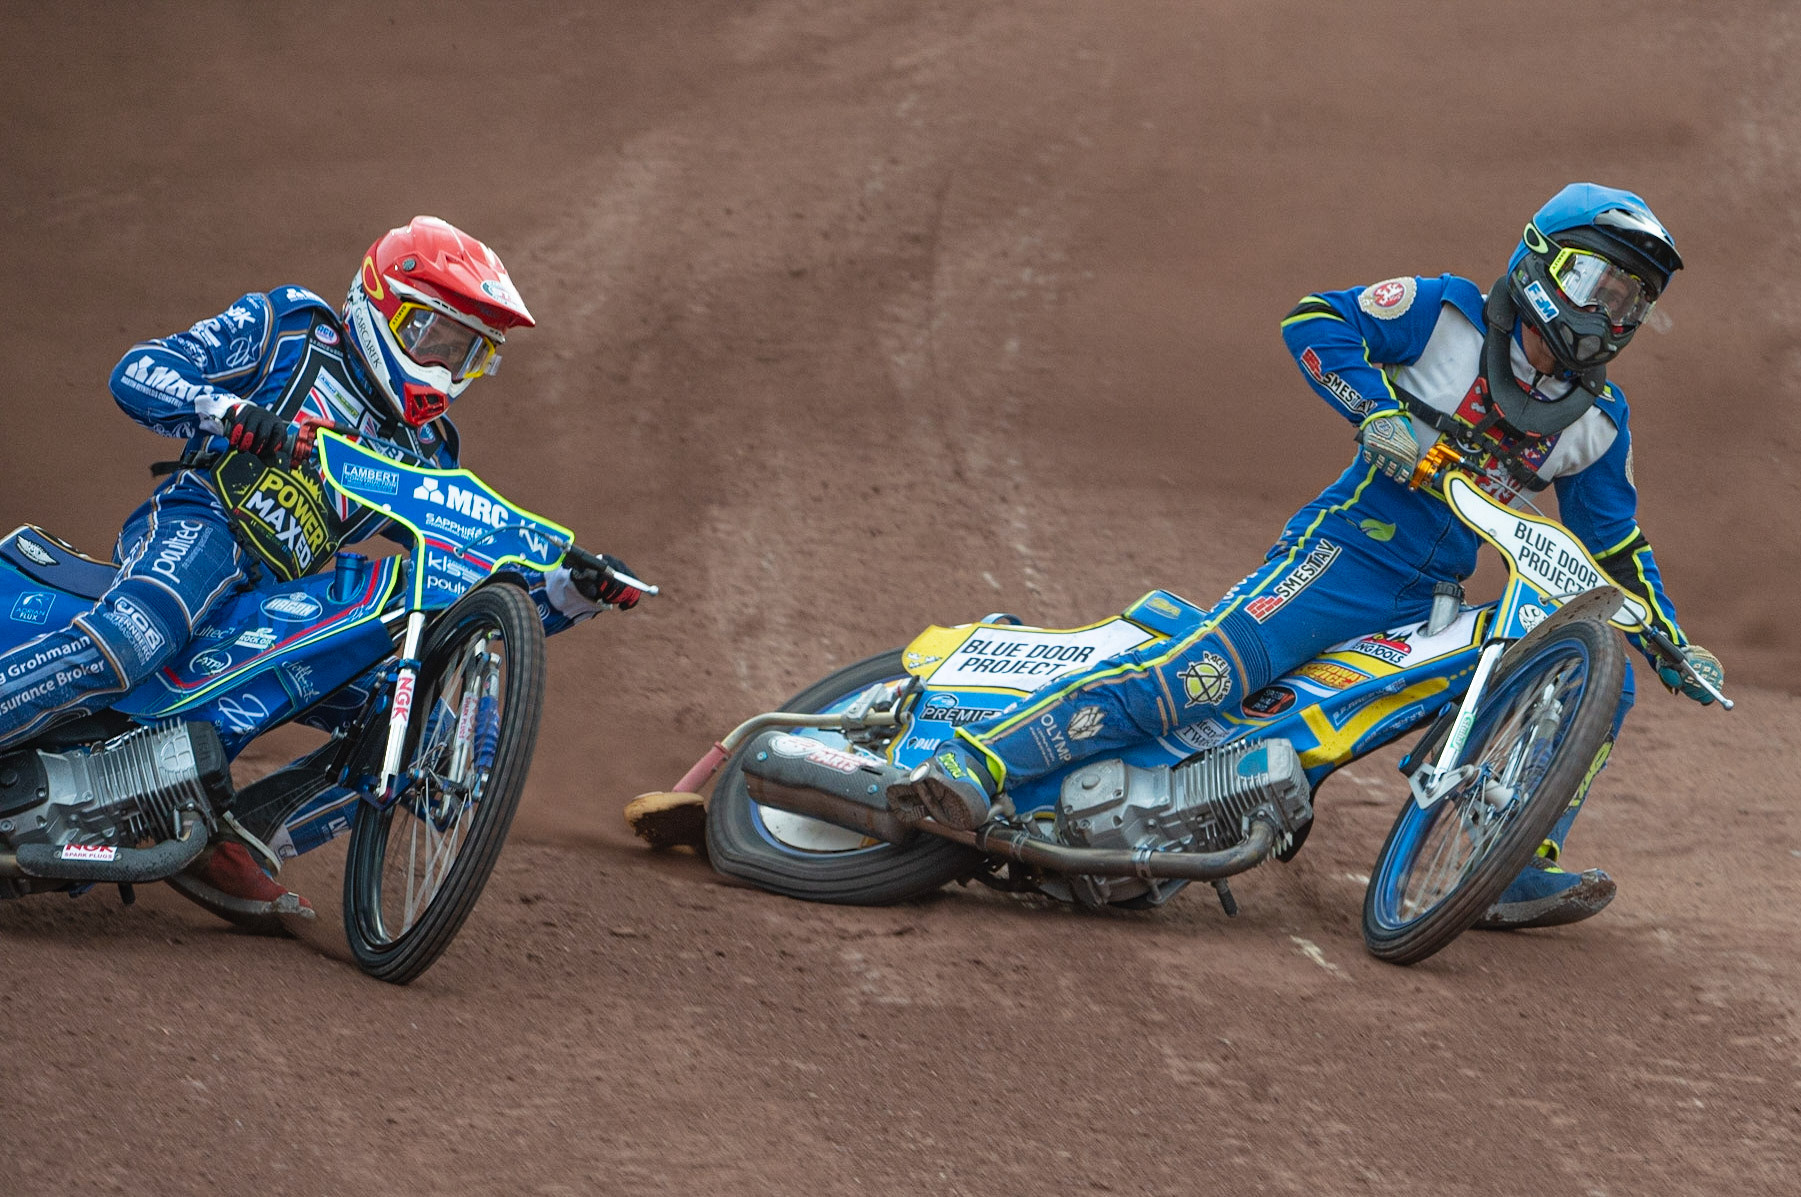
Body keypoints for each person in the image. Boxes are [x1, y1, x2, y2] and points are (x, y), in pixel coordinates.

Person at [890, 183, 1723, 929]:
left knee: (1581, 668)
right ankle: (978, 757)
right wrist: (1375, 412)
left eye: (1632, 299)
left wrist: (1668, 639)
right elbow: (1316, 320)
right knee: (1197, 681)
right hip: (1338, 561)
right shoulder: (1445, 317)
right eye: (1596, 283)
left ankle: (1506, 855)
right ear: (1541, 266)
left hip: (1428, 600)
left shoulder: (1597, 422)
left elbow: (1614, 544)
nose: (1611, 313)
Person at [0, 216, 641, 922]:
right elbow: (139, 369)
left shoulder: (427, 450)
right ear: (383, 305)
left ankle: (224, 830)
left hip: (281, 592)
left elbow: (470, 597)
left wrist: (568, 593)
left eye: (469, 354)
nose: (446, 369)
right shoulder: (293, 326)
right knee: (139, 634)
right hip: (207, 518)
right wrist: (228, 410)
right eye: (438, 339)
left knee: (415, 719)